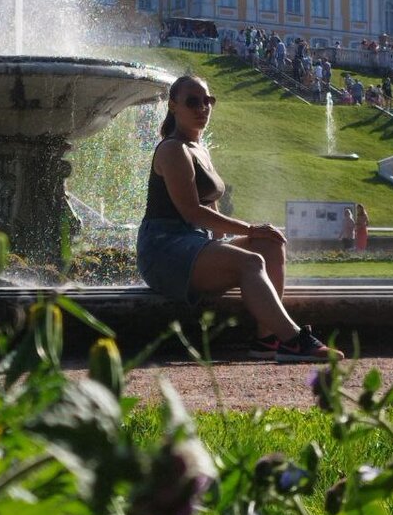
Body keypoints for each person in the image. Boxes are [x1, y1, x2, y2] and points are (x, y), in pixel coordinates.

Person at [137, 75, 342, 365]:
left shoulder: (200, 148)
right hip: (164, 249)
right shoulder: (173, 149)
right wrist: (248, 228)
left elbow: (213, 211)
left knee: (269, 244)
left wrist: (236, 240)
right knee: (251, 261)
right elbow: (192, 212)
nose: (202, 108)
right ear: (173, 106)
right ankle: (294, 340)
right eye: (193, 102)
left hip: (195, 245)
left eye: (207, 100)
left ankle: (266, 340)